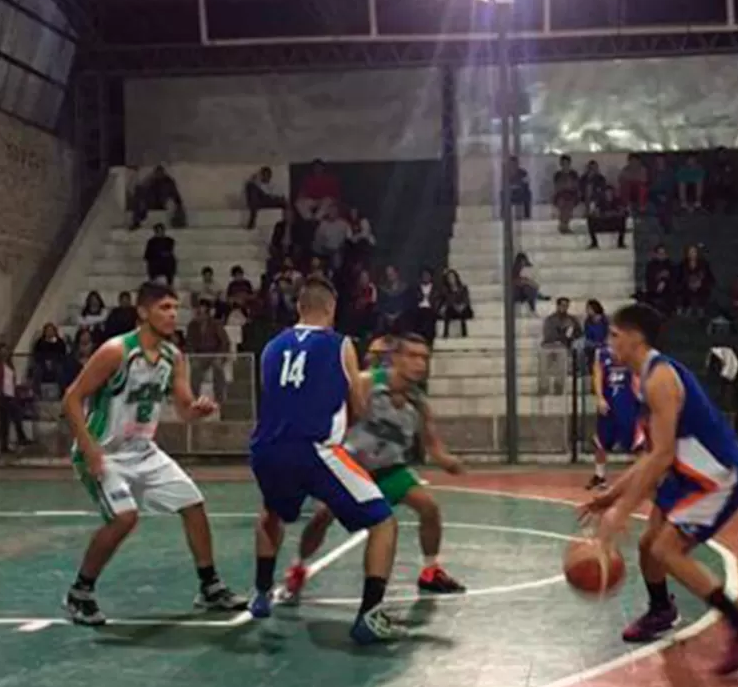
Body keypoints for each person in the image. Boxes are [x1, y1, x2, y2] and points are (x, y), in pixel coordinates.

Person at [578, 304, 738, 676]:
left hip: (716, 475)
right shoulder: (644, 378)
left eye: (615, 336)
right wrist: (610, 496)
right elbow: (652, 456)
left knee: (665, 549)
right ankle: (661, 611)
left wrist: (620, 511)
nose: (609, 345)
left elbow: (662, 455)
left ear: (636, 337)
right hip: (686, 474)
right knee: (648, 547)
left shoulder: (660, 379)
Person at [59, 282, 248, 626]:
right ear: (143, 312)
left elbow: (184, 408)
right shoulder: (116, 351)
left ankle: (210, 586)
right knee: (124, 518)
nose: (173, 314)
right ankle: (80, 592)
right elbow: (71, 398)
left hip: (144, 451)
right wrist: (89, 449)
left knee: (194, 505)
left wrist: (198, 409)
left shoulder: (174, 357)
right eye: (164, 307)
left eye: (175, 308)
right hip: (106, 452)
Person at [247, 276, 405, 644]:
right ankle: (369, 615)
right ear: (330, 309)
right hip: (316, 449)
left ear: (299, 307)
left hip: (267, 448)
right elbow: (357, 400)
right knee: (383, 521)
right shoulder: (340, 344)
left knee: (271, 513)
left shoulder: (271, 347)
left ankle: (259, 594)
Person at [285, 333, 465, 602]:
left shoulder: (419, 403)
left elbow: (432, 444)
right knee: (323, 516)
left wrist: (447, 461)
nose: (420, 364)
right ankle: (299, 565)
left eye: (424, 358)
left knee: (429, 508)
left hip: (390, 469)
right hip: (352, 468)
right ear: (395, 358)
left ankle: (430, 571)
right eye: (413, 356)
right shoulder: (367, 383)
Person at [586, 344, 641, 491]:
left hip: (627, 404)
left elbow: (638, 377)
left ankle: (640, 480)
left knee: (636, 444)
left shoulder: (633, 353)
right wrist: (600, 398)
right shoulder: (603, 354)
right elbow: (598, 376)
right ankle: (599, 476)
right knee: (601, 441)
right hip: (609, 403)